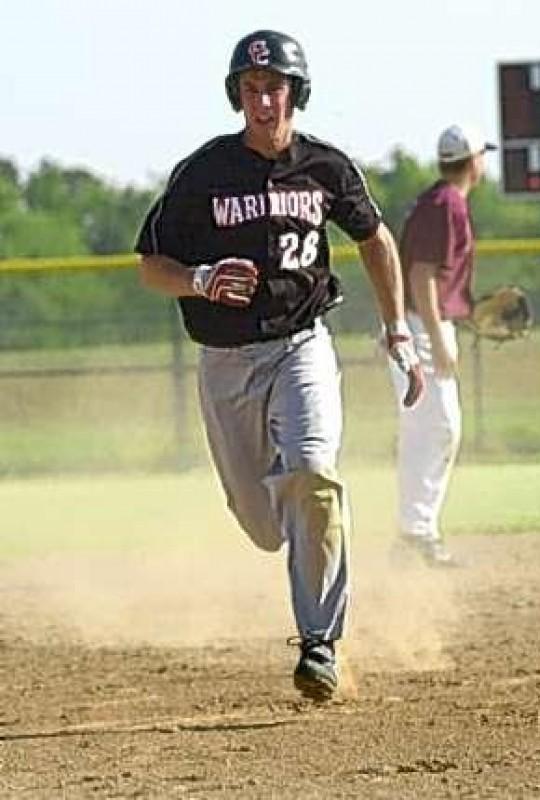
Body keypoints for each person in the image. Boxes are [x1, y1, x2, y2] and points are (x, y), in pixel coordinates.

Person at [135, 30, 423, 701]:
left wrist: (397, 330)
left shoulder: (325, 167)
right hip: (225, 362)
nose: (263, 101)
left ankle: (320, 643)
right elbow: (151, 266)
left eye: (275, 89)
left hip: (301, 346)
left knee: (313, 474)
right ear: (237, 96)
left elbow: (375, 239)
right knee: (263, 523)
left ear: (298, 93)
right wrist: (199, 279)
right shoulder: (203, 173)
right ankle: (286, 532)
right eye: (251, 89)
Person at [387, 124, 496, 567]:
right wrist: (437, 337)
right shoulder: (446, 203)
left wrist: (462, 317)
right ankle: (416, 533)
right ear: (473, 161)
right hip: (419, 329)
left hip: (421, 325)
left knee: (432, 429)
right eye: (483, 155)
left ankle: (416, 533)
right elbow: (421, 277)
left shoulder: (441, 200)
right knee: (438, 428)